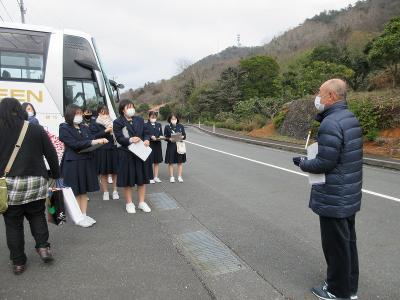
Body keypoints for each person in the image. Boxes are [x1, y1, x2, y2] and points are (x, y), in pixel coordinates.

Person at [292, 79, 362, 300]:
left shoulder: (330, 123)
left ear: (332, 96)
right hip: (347, 193)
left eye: (320, 93)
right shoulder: (349, 118)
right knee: (347, 243)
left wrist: (303, 162)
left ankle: (336, 291)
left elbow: (325, 162)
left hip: (334, 194)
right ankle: (349, 288)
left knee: (335, 246)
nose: (317, 97)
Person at [0, 98, 60, 275]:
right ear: (20, 110)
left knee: (13, 224)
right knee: (37, 216)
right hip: (36, 181)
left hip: (10, 184)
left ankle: (18, 262)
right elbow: (51, 153)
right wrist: (56, 176)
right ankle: (43, 248)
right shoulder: (34, 128)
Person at [59, 104, 108, 227]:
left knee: (84, 190)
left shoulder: (84, 127)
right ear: (70, 115)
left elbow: (91, 138)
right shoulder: (64, 128)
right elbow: (74, 144)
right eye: (77, 113)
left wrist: (100, 140)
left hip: (86, 161)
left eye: (80, 113)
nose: (79, 116)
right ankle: (78, 217)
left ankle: (84, 214)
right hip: (73, 163)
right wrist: (93, 141)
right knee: (75, 190)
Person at [113, 100, 152, 214]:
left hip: (140, 153)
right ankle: (129, 203)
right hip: (126, 154)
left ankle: (141, 202)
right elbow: (119, 138)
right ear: (122, 110)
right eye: (128, 107)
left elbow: (146, 132)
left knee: (142, 179)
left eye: (132, 107)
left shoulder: (139, 120)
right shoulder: (118, 122)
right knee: (128, 180)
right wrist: (130, 139)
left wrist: (146, 139)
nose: (131, 109)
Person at [89, 105, 119, 200]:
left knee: (115, 172)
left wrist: (114, 130)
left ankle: (115, 191)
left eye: (106, 113)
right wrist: (106, 131)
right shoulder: (94, 123)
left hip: (113, 149)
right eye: (103, 112)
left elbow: (118, 135)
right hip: (101, 150)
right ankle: (105, 192)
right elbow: (93, 136)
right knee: (103, 172)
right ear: (98, 113)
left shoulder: (113, 122)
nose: (105, 115)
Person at [164, 114, 186, 183]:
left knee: (180, 162)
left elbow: (184, 135)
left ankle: (179, 176)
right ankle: (172, 177)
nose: (174, 120)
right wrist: (169, 139)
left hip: (179, 145)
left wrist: (182, 137)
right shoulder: (167, 127)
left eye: (175, 119)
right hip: (171, 146)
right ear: (170, 120)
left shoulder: (181, 126)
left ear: (177, 119)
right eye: (172, 119)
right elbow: (165, 137)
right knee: (171, 162)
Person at [145, 111, 164, 184]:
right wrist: (150, 136)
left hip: (157, 145)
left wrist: (161, 136)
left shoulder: (158, 124)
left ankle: (156, 177)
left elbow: (160, 134)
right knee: (149, 161)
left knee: (157, 161)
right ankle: (149, 177)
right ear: (149, 117)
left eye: (155, 117)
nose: (153, 118)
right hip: (149, 145)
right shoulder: (146, 125)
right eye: (152, 117)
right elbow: (144, 134)